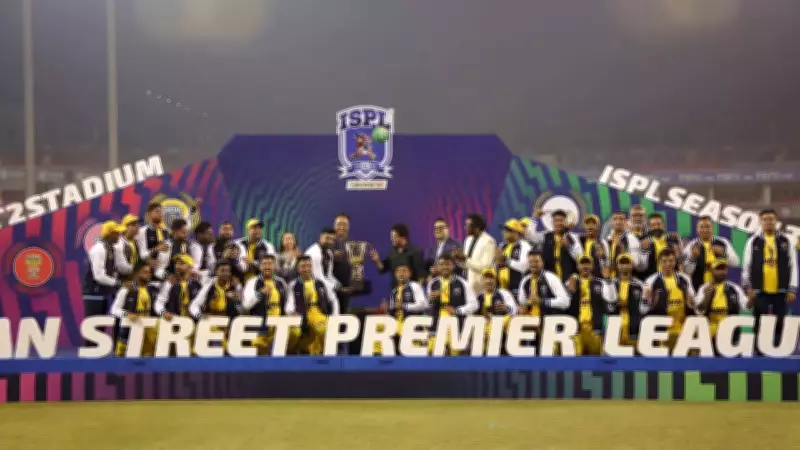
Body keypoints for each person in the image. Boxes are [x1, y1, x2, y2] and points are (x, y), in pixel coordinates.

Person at [741, 209, 797, 352]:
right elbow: (746, 266)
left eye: (771, 219)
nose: (768, 222)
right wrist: (748, 288)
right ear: (760, 222)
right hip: (759, 290)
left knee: (780, 323)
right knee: (759, 322)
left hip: (781, 290)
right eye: (765, 219)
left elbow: (793, 265)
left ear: (776, 221)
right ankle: (759, 353)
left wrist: (792, 288)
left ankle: (779, 351)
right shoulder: (753, 241)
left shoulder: (786, 240)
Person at [693, 258, 751, 355]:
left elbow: (746, 307)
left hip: (730, 334)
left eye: (724, 269)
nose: (722, 272)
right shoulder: (704, 288)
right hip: (710, 336)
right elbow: (698, 311)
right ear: (712, 271)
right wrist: (707, 298)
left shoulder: (734, 288)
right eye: (719, 269)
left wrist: (751, 300)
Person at [243, 256, 297, 355]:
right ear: (260, 267)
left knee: (295, 331)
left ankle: (284, 351)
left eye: (270, 264)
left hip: (279, 322)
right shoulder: (252, 282)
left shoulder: (281, 282)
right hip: (261, 324)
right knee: (259, 347)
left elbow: (289, 300)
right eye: (264, 264)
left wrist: (291, 312)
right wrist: (260, 293)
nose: (267, 267)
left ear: (275, 266)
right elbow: (246, 305)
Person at [642, 249, 695, 351]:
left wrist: (691, 302)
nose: (668, 264)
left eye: (671, 261)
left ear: (675, 262)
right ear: (659, 262)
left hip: (682, 330)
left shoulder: (684, 279)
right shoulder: (651, 281)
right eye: (664, 261)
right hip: (661, 331)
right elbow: (642, 310)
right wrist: (646, 300)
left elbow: (693, 305)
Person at [517, 251, 570, 352]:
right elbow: (522, 301)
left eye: (536, 261)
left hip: (549, 321)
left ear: (542, 263)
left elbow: (565, 302)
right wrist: (522, 308)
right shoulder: (525, 281)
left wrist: (542, 301)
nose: (533, 264)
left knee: (549, 353)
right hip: (532, 322)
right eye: (531, 261)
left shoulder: (551, 278)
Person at [286, 256, 340, 355]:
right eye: (303, 266)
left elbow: (333, 299)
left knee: (323, 330)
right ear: (298, 269)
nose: (306, 269)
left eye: (309, 266)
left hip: (318, 314)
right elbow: (289, 304)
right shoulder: (293, 285)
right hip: (302, 314)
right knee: (297, 334)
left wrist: (335, 316)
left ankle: (327, 354)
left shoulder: (322, 283)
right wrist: (292, 313)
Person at [426, 255, 478, 355]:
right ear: (437, 267)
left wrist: (457, 310)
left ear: (453, 266)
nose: (444, 267)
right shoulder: (432, 283)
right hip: (437, 325)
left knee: (455, 356)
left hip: (456, 326)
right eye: (441, 264)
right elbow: (428, 306)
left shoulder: (462, 283)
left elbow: (474, 304)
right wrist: (431, 299)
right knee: (436, 355)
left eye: (447, 264)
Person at [82, 220, 125, 343]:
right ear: (109, 234)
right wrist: (118, 283)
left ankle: (98, 351)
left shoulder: (111, 248)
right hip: (93, 292)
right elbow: (99, 276)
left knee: (100, 325)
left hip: (103, 292)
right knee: (93, 327)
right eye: (117, 233)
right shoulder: (99, 249)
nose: (119, 235)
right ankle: (90, 351)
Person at [188, 261, 243, 353]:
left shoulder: (236, 287)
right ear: (216, 271)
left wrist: (237, 302)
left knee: (229, 350)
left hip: (229, 324)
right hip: (211, 322)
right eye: (222, 270)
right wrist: (200, 315)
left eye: (228, 271)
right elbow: (194, 305)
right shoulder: (209, 286)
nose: (226, 273)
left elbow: (242, 311)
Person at [373, 264, 429, 354]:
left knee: (415, 356)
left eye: (404, 271)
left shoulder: (414, 286)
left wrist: (404, 306)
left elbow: (424, 305)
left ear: (410, 274)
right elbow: (394, 310)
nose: (401, 273)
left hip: (413, 326)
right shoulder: (394, 291)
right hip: (397, 326)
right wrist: (387, 309)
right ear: (395, 274)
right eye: (398, 271)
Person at [565, 255, 615, 355]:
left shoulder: (601, 283)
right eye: (582, 263)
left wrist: (608, 280)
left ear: (592, 266)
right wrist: (570, 292)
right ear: (577, 266)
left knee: (596, 358)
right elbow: (565, 305)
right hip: (576, 328)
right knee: (575, 358)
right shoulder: (569, 283)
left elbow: (611, 302)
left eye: (587, 263)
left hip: (594, 327)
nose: (585, 266)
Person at [109, 261, 159, 357]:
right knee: (124, 361)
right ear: (136, 273)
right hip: (129, 333)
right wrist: (127, 314)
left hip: (148, 334)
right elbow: (114, 310)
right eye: (145, 272)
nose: (149, 275)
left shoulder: (153, 289)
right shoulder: (126, 289)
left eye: (149, 272)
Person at [683, 216, 740, 292]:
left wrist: (724, 253)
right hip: (698, 290)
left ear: (712, 228)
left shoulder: (723, 242)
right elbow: (687, 271)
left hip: (721, 290)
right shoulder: (691, 245)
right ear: (697, 229)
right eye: (701, 227)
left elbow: (736, 262)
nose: (705, 230)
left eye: (707, 227)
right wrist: (692, 257)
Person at [524, 209, 582, 282]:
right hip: (550, 280)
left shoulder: (572, 237)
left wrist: (569, 246)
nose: (558, 223)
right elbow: (529, 236)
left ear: (566, 222)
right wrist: (534, 218)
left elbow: (580, 257)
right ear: (552, 223)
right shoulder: (545, 236)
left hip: (569, 281)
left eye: (561, 220)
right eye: (556, 221)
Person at [370, 223, 426, 289]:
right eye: (391, 237)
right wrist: (377, 261)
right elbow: (383, 269)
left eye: (394, 237)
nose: (391, 239)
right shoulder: (391, 253)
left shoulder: (415, 252)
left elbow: (421, 276)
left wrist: (417, 291)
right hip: (395, 291)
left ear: (403, 237)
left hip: (411, 291)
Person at [476, 268, 518, 354]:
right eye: (486, 278)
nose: (488, 281)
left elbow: (514, 310)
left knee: (508, 319)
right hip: (484, 329)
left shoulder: (504, 293)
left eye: (491, 278)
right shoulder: (479, 296)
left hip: (500, 328)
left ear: (496, 280)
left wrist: (506, 308)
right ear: (482, 280)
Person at [453, 214, 496, 295]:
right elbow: (466, 265)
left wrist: (465, 259)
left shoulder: (488, 241)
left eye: (468, 225)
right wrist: (458, 259)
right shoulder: (468, 239)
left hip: (480, 288)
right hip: (467, 285)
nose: (465, 228)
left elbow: (486, 267)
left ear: (477, 227)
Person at [609, 253, 645, 347]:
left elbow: (645, 307)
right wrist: (615, 303)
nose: (624, 266)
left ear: (632, 265)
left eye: (627, 263)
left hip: (634, 328)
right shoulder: (610, 284)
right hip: (614, 329)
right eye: (622, 263)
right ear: (617, 266)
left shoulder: (641, 285)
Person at [151, 218, 203, 284]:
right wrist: (168, 276)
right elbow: (158, 270)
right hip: (168, 282)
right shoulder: (166, 245)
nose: (186, 234)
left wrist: (192, 272)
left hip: (187, 281)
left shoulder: (192, 246)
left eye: (186, 231)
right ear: (174, 231)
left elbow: (195, 266)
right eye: (183, 232)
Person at [154, 253, 204, 319]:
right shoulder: (169, 283)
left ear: (190, 267)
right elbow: (159, 303)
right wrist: (164, 312)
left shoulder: (198, 284)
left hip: (194, 321)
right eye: (176, 264)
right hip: (174, 321)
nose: (177, 266)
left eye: (181, 264)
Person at [637, 213, 682, 281]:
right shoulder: (642, 240)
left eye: (658, 224)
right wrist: (643, 251)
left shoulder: (673, 238)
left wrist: (678, 252)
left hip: (672, 279)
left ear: (663, 225)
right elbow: (639, 266)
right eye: (653, 225)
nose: (656, 227)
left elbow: (680, 261)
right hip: (651, 279)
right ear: (649, 227)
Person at [494, 219, 531, 298]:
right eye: (504, 230)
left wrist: (506, 260)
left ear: (516, 232)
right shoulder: (502, 245)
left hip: (517, 289)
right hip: (501, 288)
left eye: (507, 230)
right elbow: (497, 264)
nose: (504, 232)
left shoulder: (524, 246)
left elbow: (525, 267)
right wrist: (497, 264)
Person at [605, 211, 646, 279]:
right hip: (610, 279)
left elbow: (636, 263)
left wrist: (622, 250)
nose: (618, 222)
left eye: (621, 219)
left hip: (626, 279)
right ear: (611, 222)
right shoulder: (607, 238)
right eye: (615, 219)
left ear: (626, 222)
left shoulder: (632, 239)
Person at [235, 218, 276, 283]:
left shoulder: (268, 246)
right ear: (248, 230)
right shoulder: (237, 243)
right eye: (254, 228)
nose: (257, 230)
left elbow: (271, 265)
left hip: (260, 281)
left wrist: (252, 263)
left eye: (259, 228)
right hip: (238, 280)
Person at [114, 214, 141, 279]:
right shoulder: (119, 243)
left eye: (137, 224)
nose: (137, 227)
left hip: (134, 278)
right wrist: (141, 268)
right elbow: (123, 268)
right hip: (122, 280)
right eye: (133, 225)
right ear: (125, 227)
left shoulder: (136, 241)